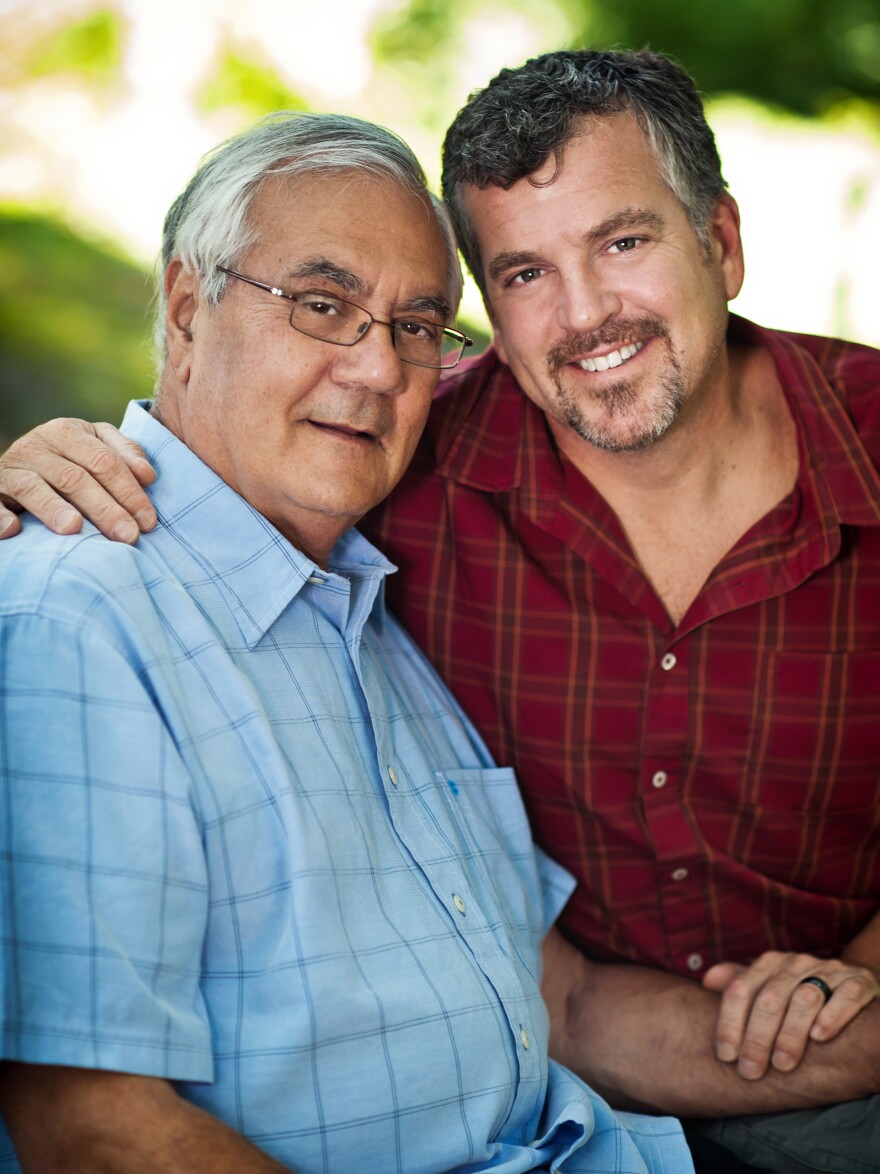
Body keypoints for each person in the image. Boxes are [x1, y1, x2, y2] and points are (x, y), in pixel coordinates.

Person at [2, 49, 879, 1172]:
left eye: (417, 324)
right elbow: (91, 1129)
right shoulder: (88, 606)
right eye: (322, 306)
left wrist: (847, 1023)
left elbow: (561, 1005)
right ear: (184, 307)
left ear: (720, 242)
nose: (374, 369)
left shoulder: (366, 612)